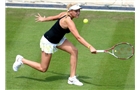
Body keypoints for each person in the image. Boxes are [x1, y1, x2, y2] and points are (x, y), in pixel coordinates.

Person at [13, 3, 97, 86]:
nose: (78, 12)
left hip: (59, 39)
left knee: (74, 51)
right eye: (76, 11)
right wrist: (90, 47)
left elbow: (53, 18)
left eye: (79, 10)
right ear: (70, 11)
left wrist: (43, 19)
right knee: (43, 68)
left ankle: (72, 78)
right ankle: (21, 60)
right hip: (48, 42)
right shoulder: (68, 21)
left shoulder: (64, 14)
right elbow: (78, 37)